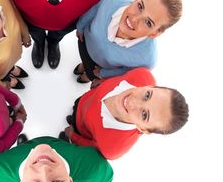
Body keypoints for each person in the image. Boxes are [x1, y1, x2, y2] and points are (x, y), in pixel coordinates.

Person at [60, 67, 189, 160]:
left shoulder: (113, 148)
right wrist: (103, 82)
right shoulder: (142, 75)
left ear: (143, 129)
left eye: (144, 115)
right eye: (147, 95)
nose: (132, 103)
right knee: (75, 109)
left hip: (81, 130)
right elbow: (120, 77)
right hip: (84, 100)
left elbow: (91, 148)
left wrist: (73, 135)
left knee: (74, 124)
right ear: (151, 86)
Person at [74, 0, 182, 84]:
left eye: (148, 22)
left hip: (99, 67)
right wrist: (80, 26)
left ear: (155, 33)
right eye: (140, 6)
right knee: (85, 61)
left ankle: (87, 76)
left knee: (90, 72)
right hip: (85, 41)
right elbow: (94, 9)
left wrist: (103, 74)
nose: (134, 19)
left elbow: (126, 71)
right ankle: (83, 65)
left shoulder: (146, 59)